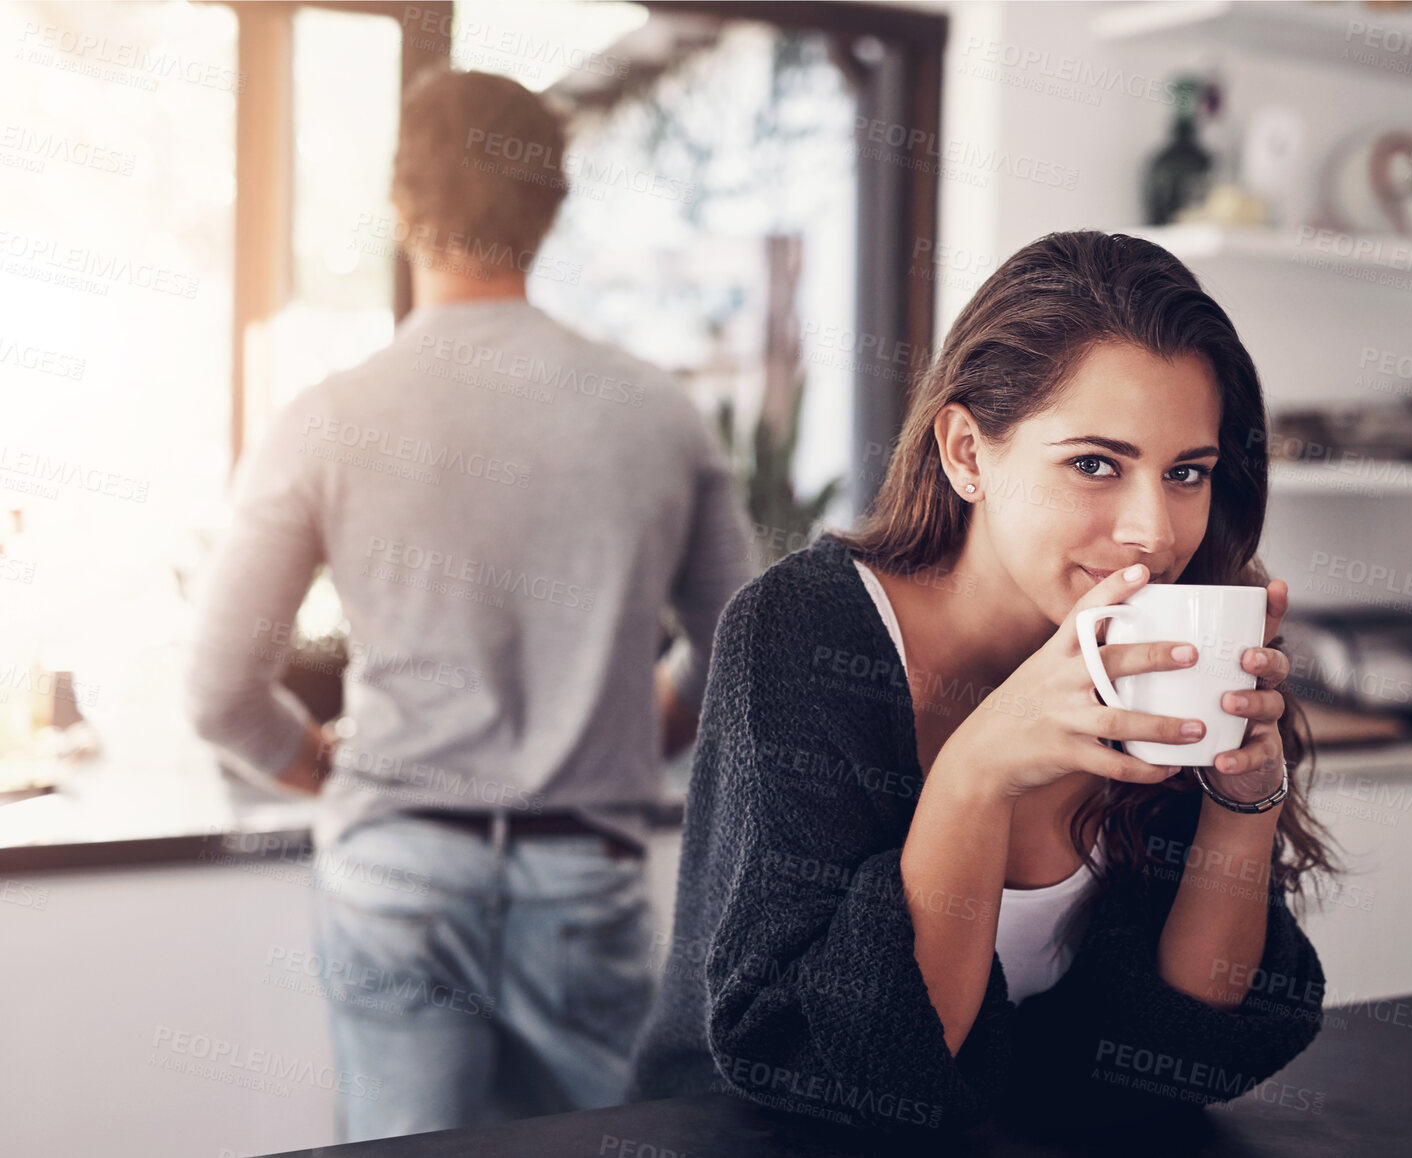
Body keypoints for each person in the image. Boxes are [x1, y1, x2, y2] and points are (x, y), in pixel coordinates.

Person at [625, 230, 1340, 1138]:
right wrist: (977, 770)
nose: (1152, 533)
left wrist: (1241, 803)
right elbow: (859, 1062)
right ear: (967, 453)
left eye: (1185, 473)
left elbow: (1187, 1045)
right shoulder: (804, 634)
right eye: (1094, 464)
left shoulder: (1174, 638)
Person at [186, 67, 753, 1140]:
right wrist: (643, 721)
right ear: (549, 210)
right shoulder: (655, 415)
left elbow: (220, 691)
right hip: (584, 872)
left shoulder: (330, 417)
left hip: (395, 869)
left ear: (404, 207)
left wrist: (324, 767)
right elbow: (744, 643)